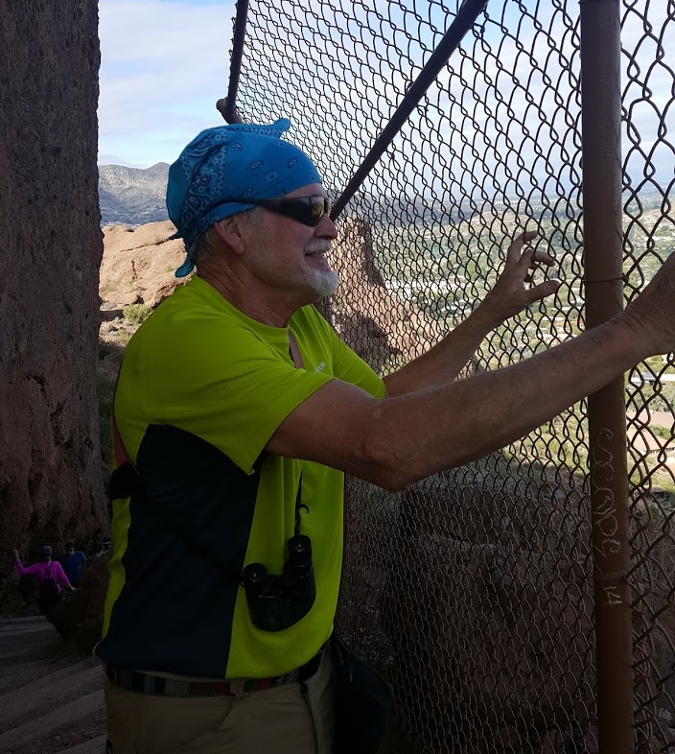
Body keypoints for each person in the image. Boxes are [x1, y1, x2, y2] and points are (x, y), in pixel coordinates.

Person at [98, 118, 675, 754]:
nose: (331, 226)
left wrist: (488, 313)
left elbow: (388, 401)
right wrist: (636, 333)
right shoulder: (191, 341)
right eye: (308, 208)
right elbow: (387, 446)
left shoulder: (297, 326)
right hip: (203, 704)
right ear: (233, 230)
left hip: (288, 683)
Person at [13, 545, 73, 614]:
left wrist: (17, 558)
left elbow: (22, 571)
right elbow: (63, 577)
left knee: (45, 614)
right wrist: (70, 586)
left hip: (42, 593)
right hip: (56, 591)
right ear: (50, 554)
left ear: (41, 556)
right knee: (57, 613)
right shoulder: (56, 564)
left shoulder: (37, 566)